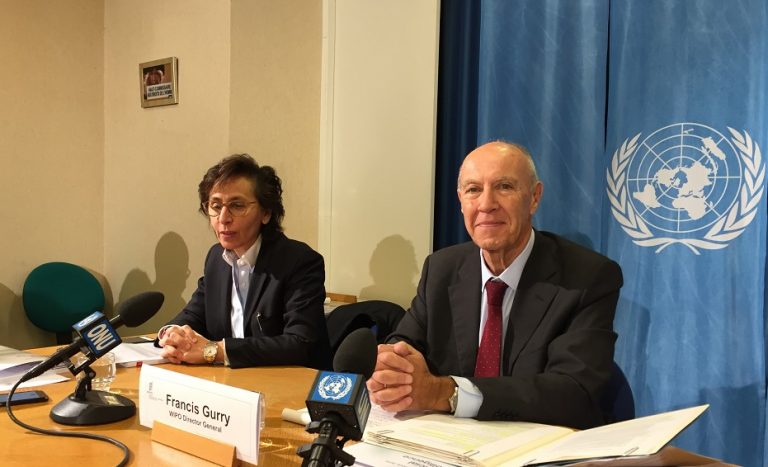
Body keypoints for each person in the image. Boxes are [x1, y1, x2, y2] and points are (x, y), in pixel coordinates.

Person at [366, 141, 623, 429]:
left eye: (504, 187)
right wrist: (392, 368)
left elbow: (574, 392)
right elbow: (404, 344)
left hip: (536, 442)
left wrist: (445, 393)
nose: (486, 204)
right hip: (446, 440)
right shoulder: (441, 269)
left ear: (534, 197)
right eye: (473, 190)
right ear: (461, 200)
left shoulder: (588, 277)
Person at [158, 154, 332, 370]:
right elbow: (193, 315)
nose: (223, 218)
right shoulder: (216, 258)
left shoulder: (299, 261)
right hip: (230, 381)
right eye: (215, 206)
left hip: (288, 382)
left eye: (237, 205)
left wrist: (214, 351)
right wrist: (171, 334)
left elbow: (299, 343)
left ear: (266, 213)